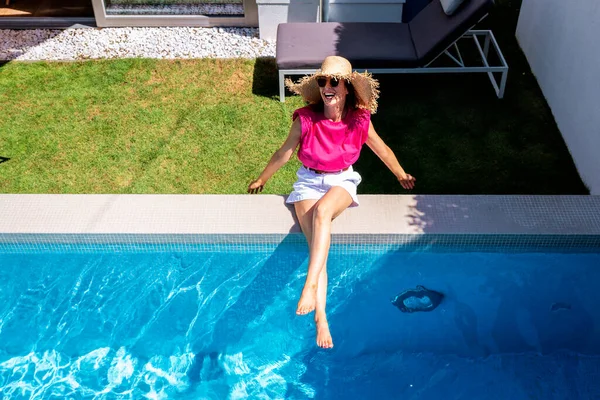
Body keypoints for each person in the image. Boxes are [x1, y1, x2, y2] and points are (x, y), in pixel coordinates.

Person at [247, 56, 415, 349]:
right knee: (317, 249)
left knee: (323, 213)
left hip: (341, 180)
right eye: (323, 81)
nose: (327, 86)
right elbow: (285, 152)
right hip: (309, 182)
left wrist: (400, 173)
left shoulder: (360, 119)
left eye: (334, 81)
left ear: (347, 88)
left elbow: (381, 148)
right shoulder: (306, 119)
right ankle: (321, 317)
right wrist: (263, 179)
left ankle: (310, 286)